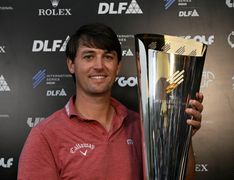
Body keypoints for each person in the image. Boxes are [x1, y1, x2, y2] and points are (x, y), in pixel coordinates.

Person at [18, 23, 204, 180]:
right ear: (71, 64)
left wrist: (182, 135)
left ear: (118, 66)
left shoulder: (142, 127)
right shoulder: (45, 136)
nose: (99, 65)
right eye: (88, 56)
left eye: (108, 57)